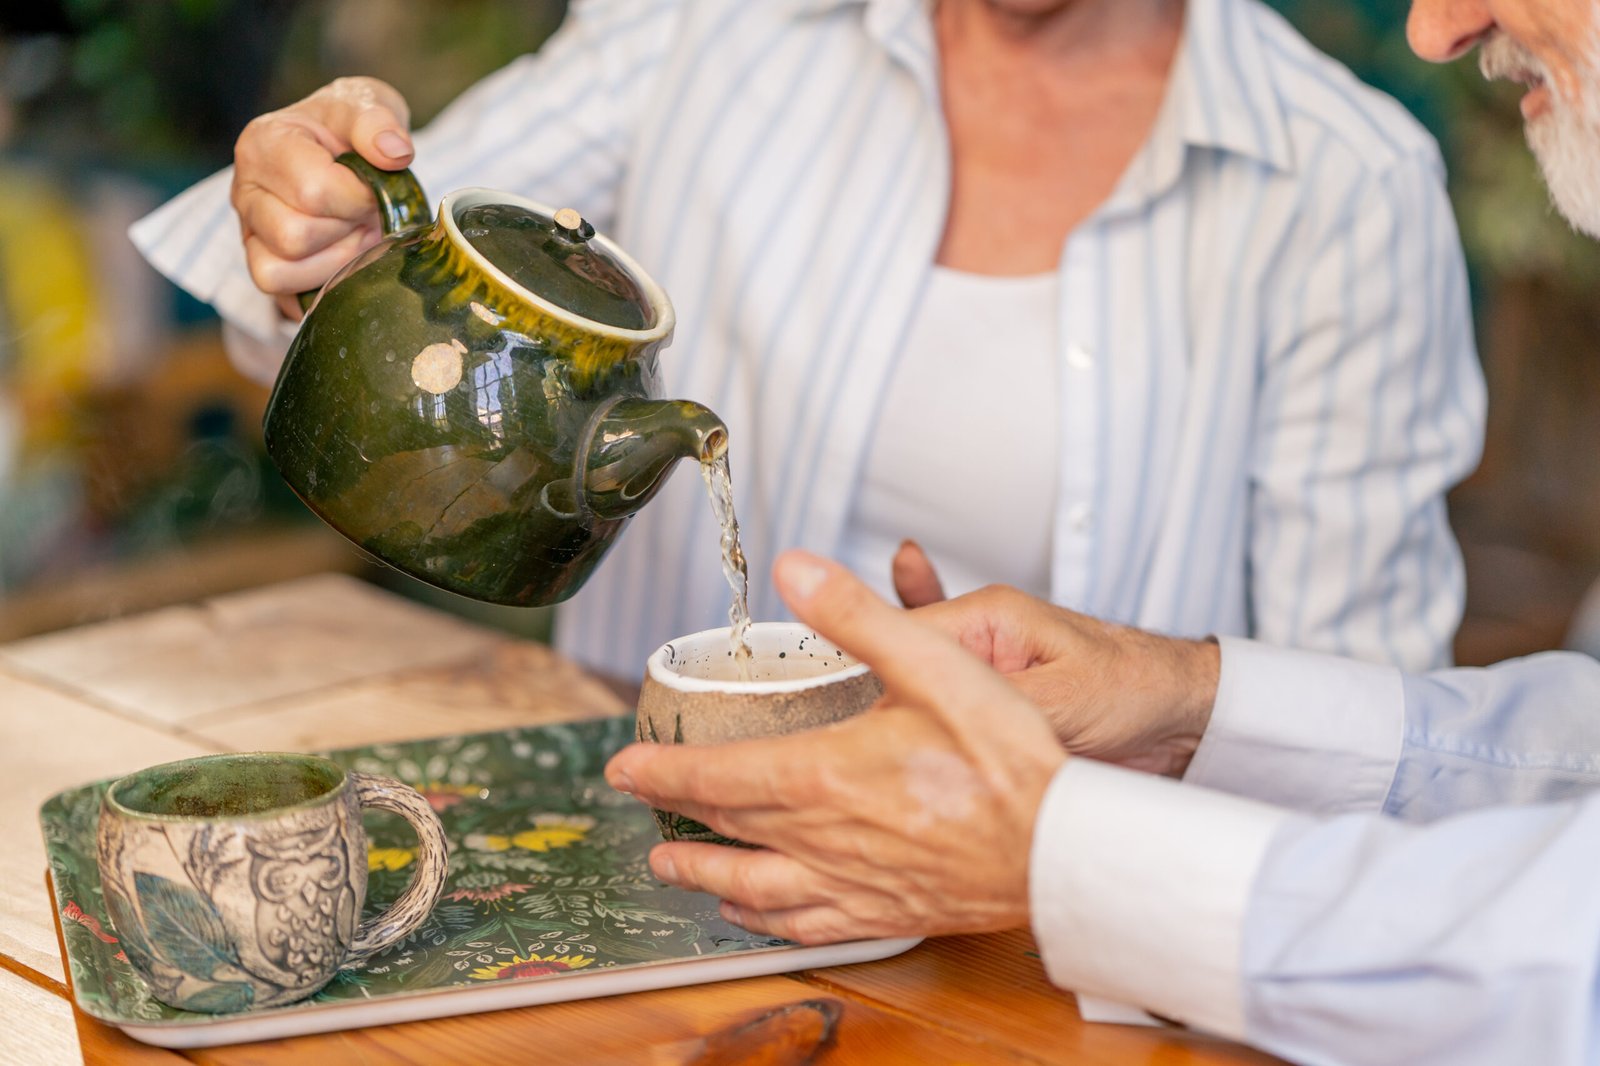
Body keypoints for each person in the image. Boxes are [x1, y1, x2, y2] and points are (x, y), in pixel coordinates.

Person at [603, 2, 1600, 1062]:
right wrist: (1187, 702)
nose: (1434, 28)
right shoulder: (717, 31)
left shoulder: (1338, 169)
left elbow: (1552, 960)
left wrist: (1054, 851)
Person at [128, 0, 1485, 682]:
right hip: (633, 869)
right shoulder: (718, 26)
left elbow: (1358, 728)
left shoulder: (1341, 182)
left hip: (1056, 961)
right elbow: (395, 262)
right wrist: (311, 225)